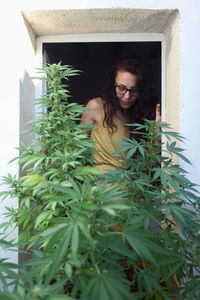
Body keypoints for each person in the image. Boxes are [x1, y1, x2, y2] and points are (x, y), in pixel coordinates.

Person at [81, 57, 162, 173]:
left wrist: (156, 138)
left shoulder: (140, 116)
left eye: (134, 90)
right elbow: (75, 148)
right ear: (112, 84)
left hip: (132, 189)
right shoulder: (96, 107)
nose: (127, 96)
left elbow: (149, 166)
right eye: (121, 88)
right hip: (101, 187)